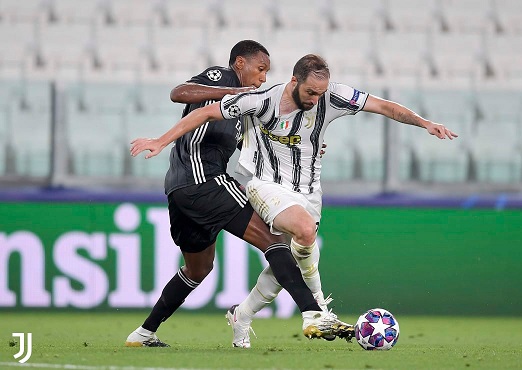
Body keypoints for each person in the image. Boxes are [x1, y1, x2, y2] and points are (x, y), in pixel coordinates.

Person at [129, 53, 458, 348]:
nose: (316, 100)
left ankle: (161, 330)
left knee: (201, 269)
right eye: (310, 92)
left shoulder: (332, 97)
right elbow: (199, 110)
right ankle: (316, 312)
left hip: (303, 191)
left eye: (320, 93)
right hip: (250, 184)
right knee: (283, 240)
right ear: (294, 81)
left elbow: (385, 106)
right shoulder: (255, 97)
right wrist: (160, 140)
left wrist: (425, 123)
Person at [125, 43, 352, 349]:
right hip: (202, 179)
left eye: (267, 73)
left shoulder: (246, 109)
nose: (262, 79)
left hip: (181, 190)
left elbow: (270, 137)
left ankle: (143, 333)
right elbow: (179, 92)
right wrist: (229, 95)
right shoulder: (224, 79)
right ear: (240, 63)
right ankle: (313, 312)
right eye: (260, 70)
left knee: (198, 269)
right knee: (274, 242)